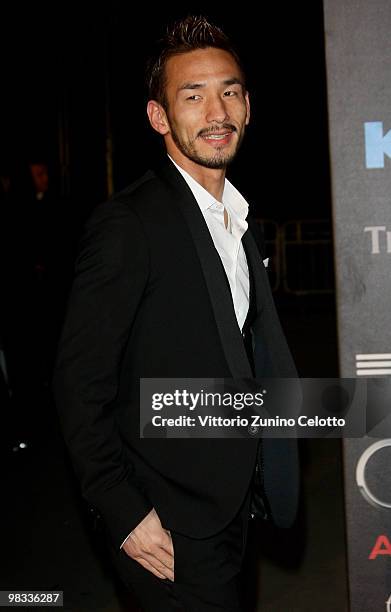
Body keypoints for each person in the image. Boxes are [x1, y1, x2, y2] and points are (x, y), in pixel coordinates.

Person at [52, 15, 299, 611]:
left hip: (236, 506)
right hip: (168, 523)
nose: (217, 111)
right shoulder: (129, 225)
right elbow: (77, 384)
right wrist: (125, 512)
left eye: (230, 91)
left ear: (248, 105)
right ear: (159, 116)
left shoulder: (236, 221)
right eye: (194, 96)